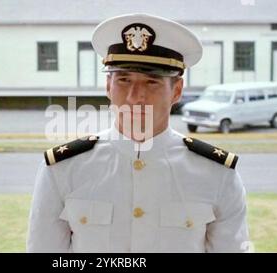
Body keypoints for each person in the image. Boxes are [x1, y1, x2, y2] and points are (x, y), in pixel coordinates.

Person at [26, 13, 249, 253]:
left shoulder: (216, 175)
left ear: (177, 91)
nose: (135, 96)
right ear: (108, 87)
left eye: (152, 82)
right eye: (124, 80)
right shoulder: (63, 169)